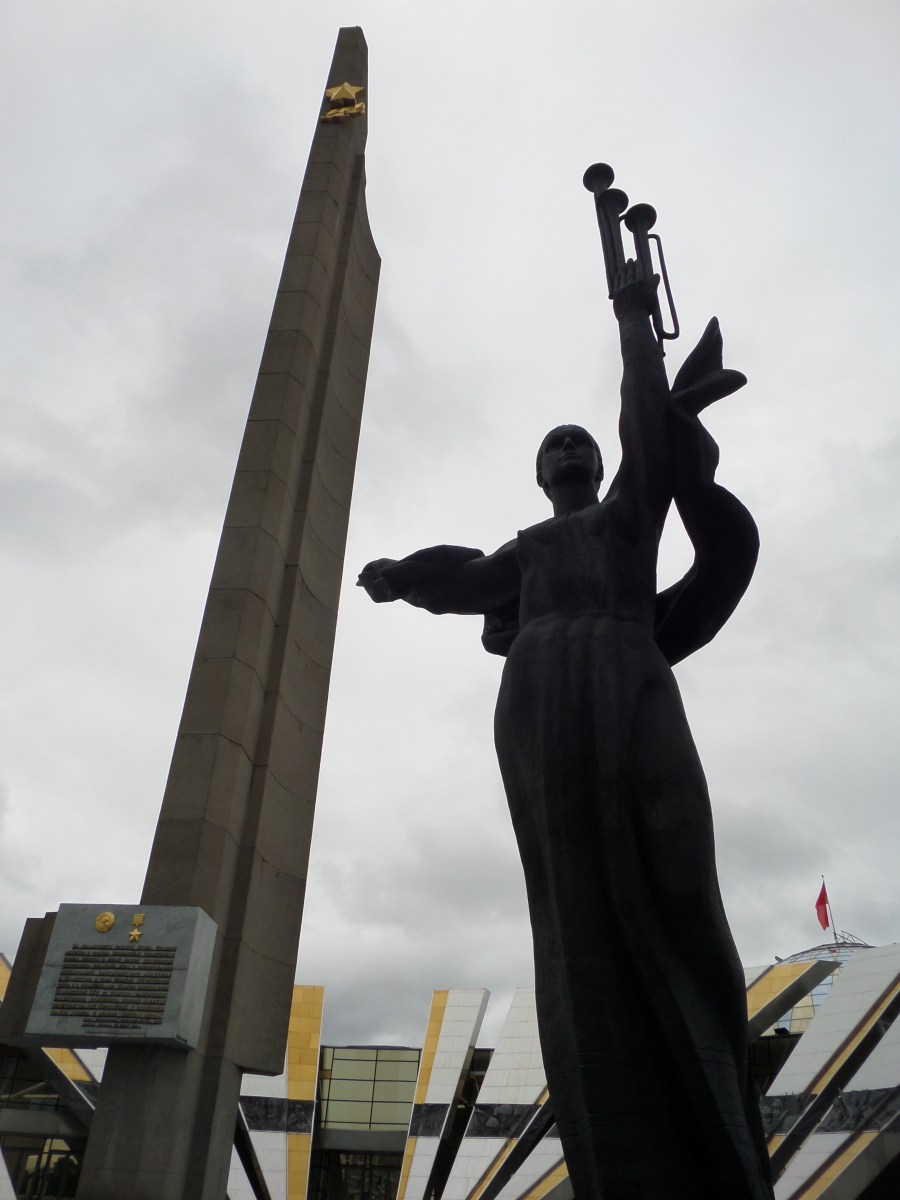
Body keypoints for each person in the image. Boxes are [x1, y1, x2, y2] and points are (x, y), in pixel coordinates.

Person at [358, 264, 773, 1199]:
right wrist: (402, 576)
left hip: (631, 670)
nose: (569, 448)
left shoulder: (630, 517)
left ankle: (716, 1134)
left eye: (578, 440)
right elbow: (465, 579)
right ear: (540, 475)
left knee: (677, 871)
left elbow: (644, 429)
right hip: (541, 694)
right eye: (554, 444)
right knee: (571, 896)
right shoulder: (532, 550)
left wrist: (633, 318)